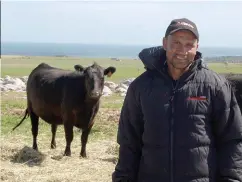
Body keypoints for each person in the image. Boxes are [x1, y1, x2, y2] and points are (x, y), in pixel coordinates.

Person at [112, 18, 242, 182]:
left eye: (189, 44)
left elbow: (232, 140)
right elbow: (128, 141)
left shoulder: (216, 86)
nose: (182, 50)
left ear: (197, 47)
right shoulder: (141, 87)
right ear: (165, 43)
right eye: (176, 43)